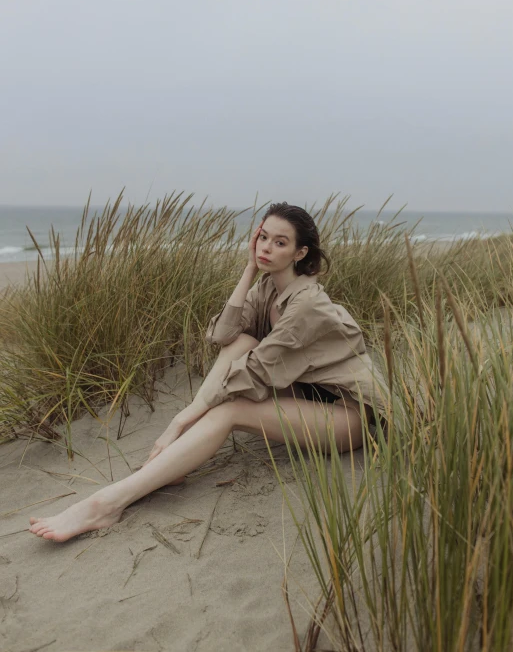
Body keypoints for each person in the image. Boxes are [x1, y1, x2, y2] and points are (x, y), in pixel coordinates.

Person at [28, 202, 390, 542]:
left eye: (280, 243)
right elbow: (222, 335)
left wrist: (184, 417)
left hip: (347, 417)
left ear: (300, 254)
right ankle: (170, 463)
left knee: (229, 410)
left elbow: (256, 374)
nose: (266, 247)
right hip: (305, 400)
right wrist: (249, 270)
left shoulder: (308, 304)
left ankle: (105, 504)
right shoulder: (267, 287)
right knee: (242, 340)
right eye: (262, 237)